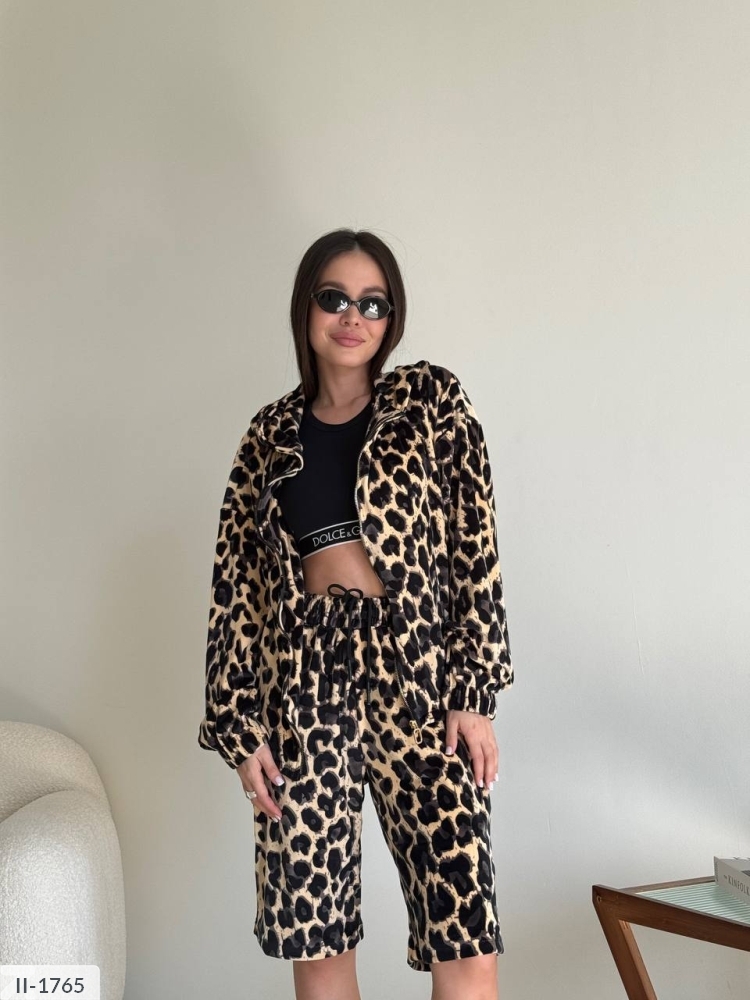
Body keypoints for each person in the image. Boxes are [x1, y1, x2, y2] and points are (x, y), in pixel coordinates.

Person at [198, 228, 514, 1000]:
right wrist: (241, 729)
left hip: (416, 670)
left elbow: (476, 549)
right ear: (306, 307)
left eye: (374, 303)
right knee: (318, 933)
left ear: (391, 317)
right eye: (334, 297)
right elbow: (236, 591)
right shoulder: (268, 437)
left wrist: (472, 692)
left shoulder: (430, 403)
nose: (353, 316)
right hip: (305, 678)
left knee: (463, 926)